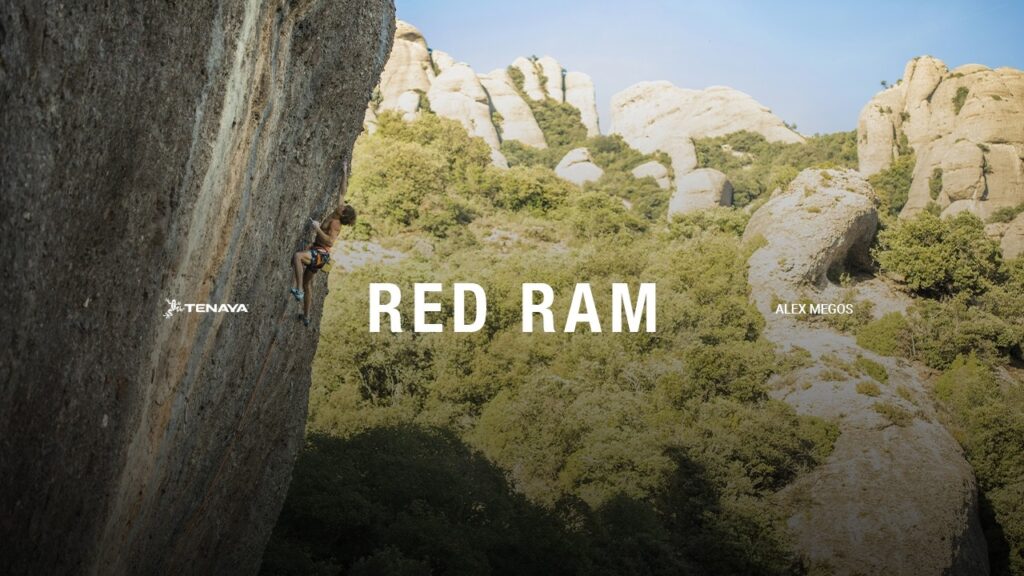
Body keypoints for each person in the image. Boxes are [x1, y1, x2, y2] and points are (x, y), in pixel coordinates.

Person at [290, 203, 357, 325]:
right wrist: (342, 182)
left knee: (298, 256)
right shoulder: (335, 215)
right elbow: (341, 193)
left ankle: (298, 290)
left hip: (321, 254)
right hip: (320, 253)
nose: (341, 204)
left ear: (342, 213)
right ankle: (306, 316)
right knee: (307, 283)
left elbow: (330, 242)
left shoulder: (335, 223)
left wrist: (317, 228)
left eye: (344, 207)